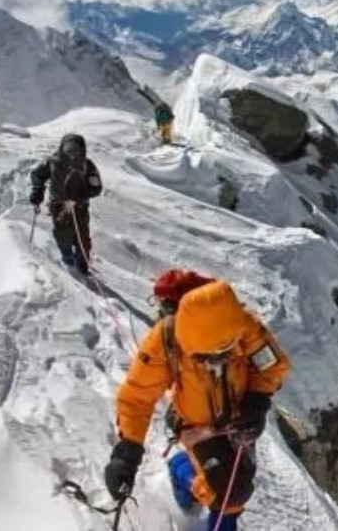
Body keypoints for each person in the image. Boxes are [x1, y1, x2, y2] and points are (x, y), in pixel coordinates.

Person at [104, 269, 291, 531]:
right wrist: (126, 453)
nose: (219, 360)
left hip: (240, 417)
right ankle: (188, 477)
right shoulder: (166, 339)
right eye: (206, 357)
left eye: (226, 352)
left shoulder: (241, 324)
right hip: (195, 423)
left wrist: (257, 399)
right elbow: (137, 397)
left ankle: (182, 472)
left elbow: (273, 365)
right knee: (229, 493)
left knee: (238, 483)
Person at [30, 133, 103, 275]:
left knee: (82, 238)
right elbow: (37, 174)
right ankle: (68, 259)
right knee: (62, 234)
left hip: (80, 207)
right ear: (62, 148)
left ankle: (82, 265)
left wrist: (81, 197)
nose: (72, 153)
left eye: (76, 149)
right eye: (68, 149)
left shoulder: (87, 165)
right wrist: (38, 190)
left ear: (82, 149)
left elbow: (96, 188)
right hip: (58, 206)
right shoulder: (52, 162)